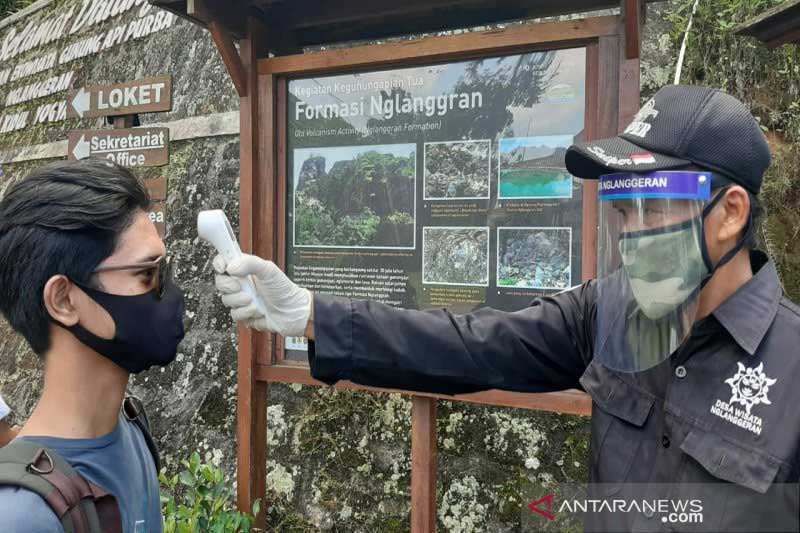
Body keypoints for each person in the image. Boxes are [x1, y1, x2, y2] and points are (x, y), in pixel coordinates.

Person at [213, 85, 800, 531]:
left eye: (652, 211)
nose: (631, 238)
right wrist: (312, 314)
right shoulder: (609, 312)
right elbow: (472, 344)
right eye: (624, 214)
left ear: (730, 213)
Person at [0, 159, 185, 532]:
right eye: (146, 273)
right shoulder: (22, 516)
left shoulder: (131, 424)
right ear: (64, 301)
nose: (166, 290)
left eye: (163, 269)